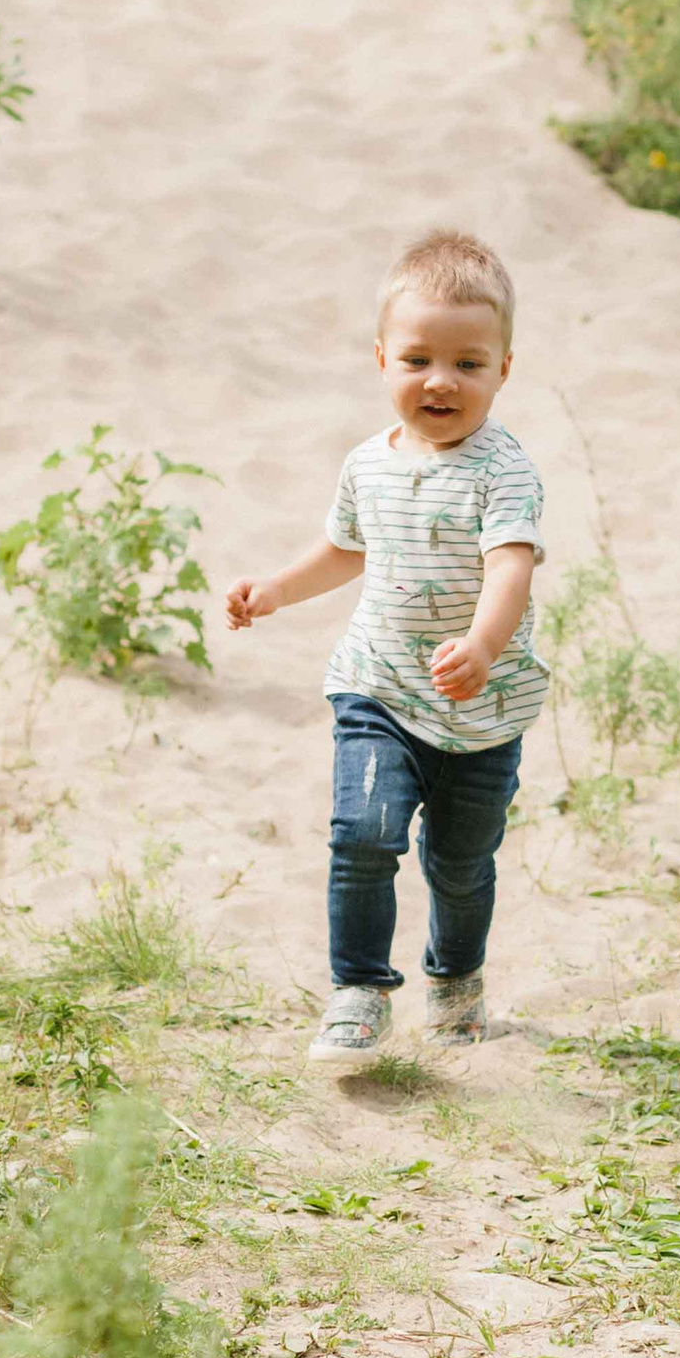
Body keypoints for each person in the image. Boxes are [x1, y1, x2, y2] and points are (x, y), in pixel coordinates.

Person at [225, 228, 548, 1065]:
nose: (441, 380)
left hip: (479, 706)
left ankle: (455, 978)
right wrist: (274, 591)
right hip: (377, 688)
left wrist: (480, 645)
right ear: (381, 361)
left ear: (502, 370)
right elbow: (346, 548)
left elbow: (510, 570)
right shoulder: (366, 464)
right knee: (363, 834)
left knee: (459, 865)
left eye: (468, 364)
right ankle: (360, 992)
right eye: (417, 360)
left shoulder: (503, 471)